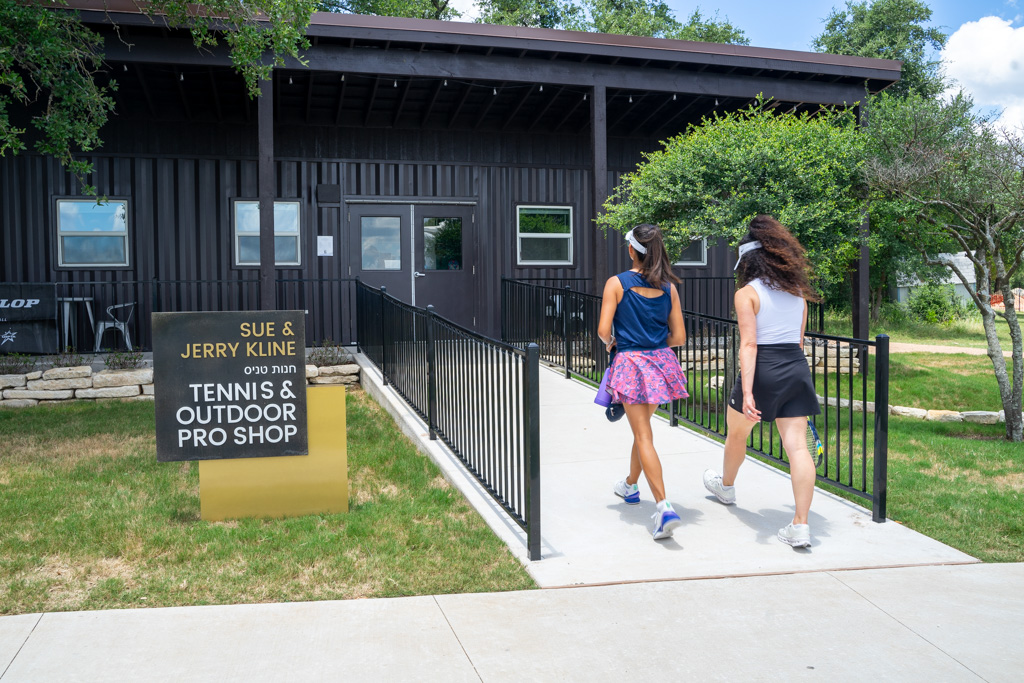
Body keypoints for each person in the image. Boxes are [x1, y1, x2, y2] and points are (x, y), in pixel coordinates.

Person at [702, 214, 822, 548]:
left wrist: (749, 392)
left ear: (747, 261)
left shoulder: (746, 294)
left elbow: (750, 345)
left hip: (764, 367)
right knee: (798, 448)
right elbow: (799, 343)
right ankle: (801, 525)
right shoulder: (797, 291)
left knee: (737, 433)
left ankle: (726, 487)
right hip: (795, 367)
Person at [597, 224, 689, 541]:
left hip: (631, 364)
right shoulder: (669, 288)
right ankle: (630, 485)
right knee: (643, 431)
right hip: (661, 364)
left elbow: (602, 330)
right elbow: (678, 337)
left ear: (631, 250)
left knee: (643, 435)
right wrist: (653, 341)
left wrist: (613, 342)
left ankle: (664, 508)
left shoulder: (617, 284)